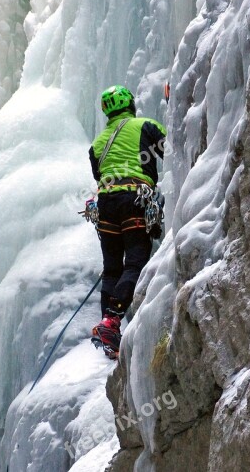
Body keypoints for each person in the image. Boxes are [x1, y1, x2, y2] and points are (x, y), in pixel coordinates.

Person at [89, 85, 166, 359]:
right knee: (135, 262)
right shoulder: (145, 125)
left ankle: (109, 332)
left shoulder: (97, 144)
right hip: (134, 198)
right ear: (130, 104)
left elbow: (99, 173)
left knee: (112, 269)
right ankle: (112, 321)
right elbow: (172, 147)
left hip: (106, 204)